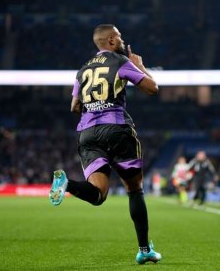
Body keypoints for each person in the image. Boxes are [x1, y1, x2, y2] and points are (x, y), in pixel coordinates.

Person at [48, 24, 161, 264]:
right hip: (117, 129)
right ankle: (144, 249)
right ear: (110, 40)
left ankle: (66, 183)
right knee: (134, 190)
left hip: (88, 134)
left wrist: (93, 108)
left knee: (98, 195)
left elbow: (74, 107)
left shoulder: (82, 70)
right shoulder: (121, 62)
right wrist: (139, 66)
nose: (122, 41)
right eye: (119, 38)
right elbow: (153, 89)